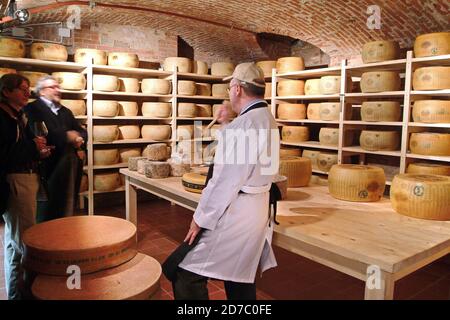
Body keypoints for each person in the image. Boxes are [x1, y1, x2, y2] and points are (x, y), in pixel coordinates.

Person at [171, 62, 280, 300]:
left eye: (230, 87)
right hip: (256, 209)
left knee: (184, 273)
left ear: (238, 88)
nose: (229, 93)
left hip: (236, 212)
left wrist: (199, 219)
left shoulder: (244, 125)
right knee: (239, 276)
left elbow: (225, 182)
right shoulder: (266, 118)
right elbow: (247, 156)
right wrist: (226, 124)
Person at [0, 73, 51, 300]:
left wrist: (38, 152)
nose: (26, 93)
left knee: (14, 242)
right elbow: (5, 154)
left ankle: (15, 294)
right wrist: (32, 146)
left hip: (25, 177)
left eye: (28, 88)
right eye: (22, 88)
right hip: (17, 180)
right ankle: (26, 294)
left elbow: (22, 149)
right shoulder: (2, 117)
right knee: (24, 242)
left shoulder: (17, 115)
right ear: (6, 91)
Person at [24, 75, 87, 221]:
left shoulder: (65, 111)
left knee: (66, 206)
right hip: (47, 167)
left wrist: (80, 137)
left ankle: (62, 234)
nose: (57, 90)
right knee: (46, 210)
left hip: (68, 166)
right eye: (53, 87)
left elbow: (80, 130)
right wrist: (67, 136)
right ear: (42, 92)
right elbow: (38, 134)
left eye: (58, 87)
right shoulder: (32, 109)